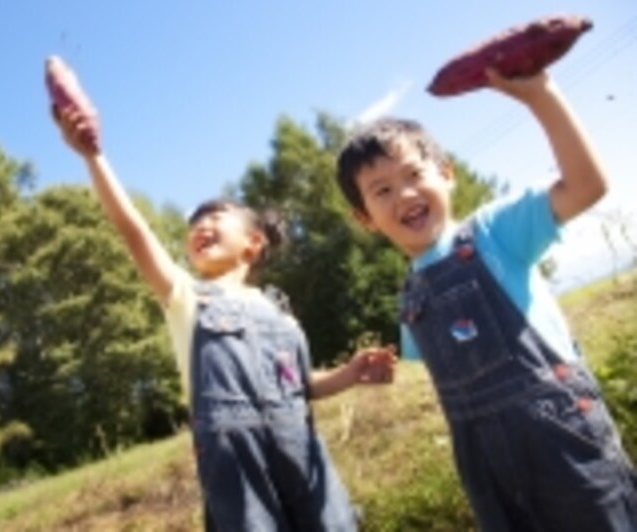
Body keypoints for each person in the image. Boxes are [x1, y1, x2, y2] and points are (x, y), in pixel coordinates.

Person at [51, 77, 396, 530]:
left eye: (215, 217)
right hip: (235, 466)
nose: (200, 225)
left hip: (302, 451)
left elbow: (296, 386)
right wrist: (93, 157)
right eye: (194, 223)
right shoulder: (184, 297)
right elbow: (134, 230)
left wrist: (348, 374)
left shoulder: (278, 311)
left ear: (253, 244)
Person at [335, 68, 637, 531]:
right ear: (366, 219)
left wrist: (542, 95)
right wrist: (376, 371)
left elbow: (586, 185)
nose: (406, 194)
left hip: (562, 445)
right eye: (383, 191)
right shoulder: (411, 297)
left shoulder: (495, 232)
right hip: (484, 466)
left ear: (447, 174)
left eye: (414, 174)